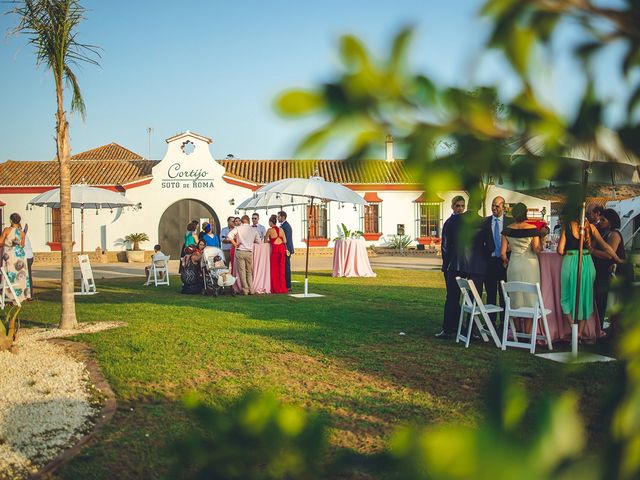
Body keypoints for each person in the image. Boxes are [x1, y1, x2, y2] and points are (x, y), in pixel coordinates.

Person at [557, 210, 623, 340]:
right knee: (585, 299)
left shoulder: (567, 226)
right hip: (587, 263)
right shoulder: (591, 227)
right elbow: (607, 248)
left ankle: (573, 329)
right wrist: (618, 259)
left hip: (570, 262)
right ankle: (580, 333)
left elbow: (559, 250)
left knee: (565, 298)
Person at [500, 203, 541, 334]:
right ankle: (527, 332)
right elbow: (536, 249)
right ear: (525, 213)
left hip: (514, 264)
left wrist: (506, 261)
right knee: (529, 298)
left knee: (516, 297)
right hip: (530, 265)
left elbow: (502, 253)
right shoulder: (532, 228)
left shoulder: (507, 229)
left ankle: (517, 331)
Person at [436, 195, 466, 339]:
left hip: (464, 265)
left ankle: (460, 326)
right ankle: (448, 328)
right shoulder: (449, 223)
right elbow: (445, 246)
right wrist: (446, 264)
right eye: (457, 206)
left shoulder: (464, 222)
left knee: (460, 298)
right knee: (452, 297)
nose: (460, 209)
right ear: (453, 207)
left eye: (462, 206)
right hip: (452, 265)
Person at [591, 208, 625, 327]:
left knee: (603, 299)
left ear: (610, 222)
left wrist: (592, 251)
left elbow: (608, 254)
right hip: (601, 270)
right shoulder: (602, 233)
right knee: (598, 298)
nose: (600, 222)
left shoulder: (614, 234)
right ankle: (597, 324)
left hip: (611, 270)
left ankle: (603, 325)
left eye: (603, 220)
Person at [483, 196, 512, 329]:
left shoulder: (510, 222)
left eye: (497, 206)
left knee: (504, 293)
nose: (494, 208)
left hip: (504, 262)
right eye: (493, 205)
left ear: (503, 206)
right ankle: (491, 321)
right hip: (490, 262)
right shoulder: (486, 222)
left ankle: (504, 322)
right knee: (491, 293)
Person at [0, 213, 31, 302]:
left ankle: (10, 296)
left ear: (10, 220)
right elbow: (22, 245)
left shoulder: (6, 230)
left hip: (9, 255)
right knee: (21, 276)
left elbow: (1, 242)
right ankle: (21, 296)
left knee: (9, 274)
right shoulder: (21, 233)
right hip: (20, 256)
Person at [228, 215, 261, 295]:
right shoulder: (253, 229)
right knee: (249, 271)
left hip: (240, 251)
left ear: (242, 221)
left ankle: (245, 289)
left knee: (242, 271)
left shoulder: (238, 228)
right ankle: (251, 289)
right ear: (249, 221)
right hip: (249, 252)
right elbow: (259, 241)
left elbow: (229, 236)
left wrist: (235, 244)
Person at [265, 214, 288, 294]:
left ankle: (275, 288)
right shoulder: (281, 230)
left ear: (271, 222)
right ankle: (282, 287)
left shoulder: (269, 230)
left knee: (274, 270)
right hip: (282, 249)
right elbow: (285, 241)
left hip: (275, 250)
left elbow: (265, 241)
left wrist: (270, 241)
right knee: (281, 270)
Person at [277, 210, 294, 291]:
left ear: (283, 217)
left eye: (279, 216)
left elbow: (285, 239)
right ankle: (285, 284)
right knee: (285, 267)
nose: (277, 218)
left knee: (286, 267)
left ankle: (288, 285)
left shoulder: (286, 226)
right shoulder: (284, 225)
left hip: (287, 249)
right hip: (286, 248)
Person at [23, 225, 34, 296]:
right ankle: (28, 294)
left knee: (27, 276)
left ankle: (29, 295)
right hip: (29, 257)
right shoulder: (23, 234)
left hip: (27, 257)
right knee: (27, 276)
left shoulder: (21, 235)